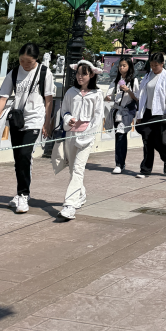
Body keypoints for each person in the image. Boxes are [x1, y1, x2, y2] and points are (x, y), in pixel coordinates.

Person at [0, 43, 55, 213]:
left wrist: (47, 122)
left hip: (34, 119)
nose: (25, 64)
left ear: (36, 59)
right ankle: (21, 193)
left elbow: (48, 100)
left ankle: (23, 195)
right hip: (17, 119)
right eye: (22, 61)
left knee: (25, 154)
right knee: (18, 158)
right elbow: (3, 98)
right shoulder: (14, 72)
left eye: (29, 62)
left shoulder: (44, 72)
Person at [58, 60, 104, 220]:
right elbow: (64, 110)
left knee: (78, 169)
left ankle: (69, 205)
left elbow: (98, 117)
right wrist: (68, 119)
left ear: (91, 75)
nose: (80, 77)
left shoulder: (97, 94)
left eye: (83, 74)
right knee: (72, 169)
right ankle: (81, 194)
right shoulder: (71, 92)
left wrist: (89, 133)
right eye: (78, 73)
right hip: (71, 135)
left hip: (87, 137)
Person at [136, 51, 166, 177]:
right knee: (147, 141)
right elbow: (142, 95)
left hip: (160, 113)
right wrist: (139, 114)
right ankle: (145, 169)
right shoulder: (148, 76)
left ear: (162, 64)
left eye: (156, 65)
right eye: (152, 65)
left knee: (159, 141)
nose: (153, 67)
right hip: (147, 112)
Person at [105, 57, 140, 174]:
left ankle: (119, 164)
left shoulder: (133, 81)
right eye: (120, 66)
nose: (121, 68)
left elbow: (137, 97)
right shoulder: (116, 81)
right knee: (119, 136)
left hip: (127, 111)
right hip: (117, 111)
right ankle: (120, 163)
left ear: (129, 67)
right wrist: (108, 97)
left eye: (124, 66)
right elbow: (109, 95)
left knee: (121, 134)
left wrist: (128, 90)